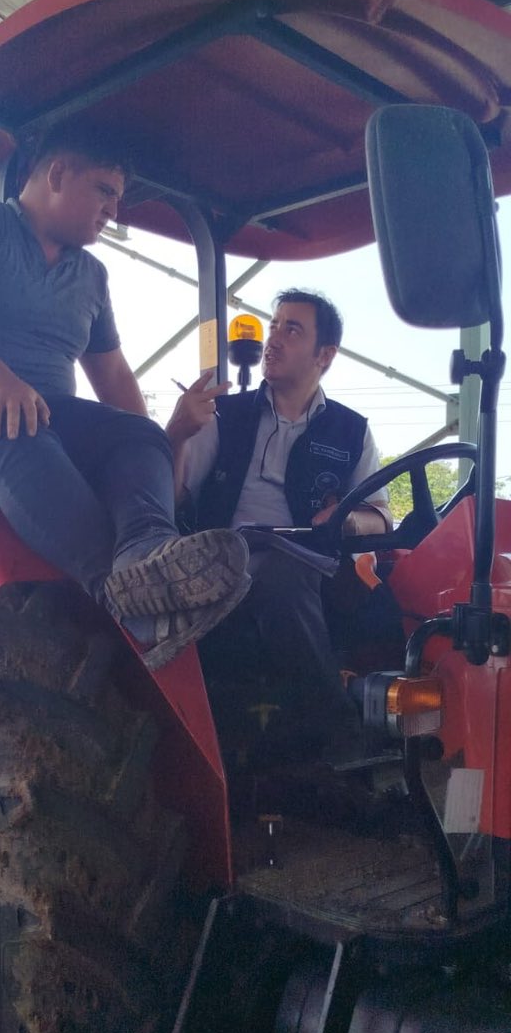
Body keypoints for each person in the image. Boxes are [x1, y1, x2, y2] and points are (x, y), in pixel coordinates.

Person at [0, 123, 250, 670]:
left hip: (41, 415)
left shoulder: (91, 276)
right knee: (13, 424)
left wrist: (155, 444)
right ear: (57, 174)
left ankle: (147, 553)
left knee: (135, 433)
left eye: (118, 199)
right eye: (104, 191)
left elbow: (114, 375)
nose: (113, 211)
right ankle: (120, 594)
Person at [166, 289, 393, 758]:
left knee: (389, 603)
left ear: (324, 355)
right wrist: (176, 435)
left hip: (314, 565)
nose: (274, 339)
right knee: (279, 574)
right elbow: (172, 498)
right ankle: (341, 733)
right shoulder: (222, 415)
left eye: (292, 329)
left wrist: (347, 519)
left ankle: (398, 715)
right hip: (227, 561)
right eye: (274, 326)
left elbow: (381, 517)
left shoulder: (351, 430)